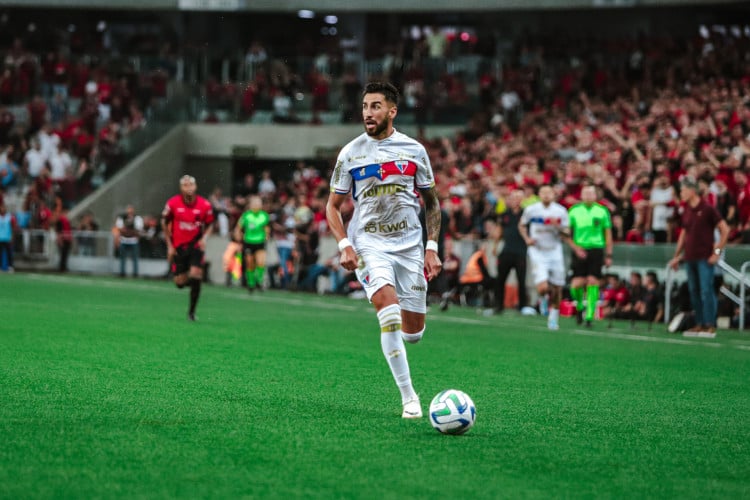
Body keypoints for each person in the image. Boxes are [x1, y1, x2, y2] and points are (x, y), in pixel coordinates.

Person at [325, 81, 442, 419]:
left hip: (409, 247)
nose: (368, 113)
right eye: (364, 106)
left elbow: (432, 204)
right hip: (369, 245)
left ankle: (407, 336)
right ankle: (409, 397)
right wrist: (345, 244)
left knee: (414, 333)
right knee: (387, 313)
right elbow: (332, 207)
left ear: (392, 111)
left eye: (375, 106)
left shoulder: (415, 150)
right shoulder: (350, 153)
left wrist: (431, 248)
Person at [668, 176, 729, 338]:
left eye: (683, 190)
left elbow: (725, 229)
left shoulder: (708, 208)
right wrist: (676, 256)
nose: (681, 193)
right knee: (694, 291)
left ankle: (709, 324)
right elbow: (684, 234)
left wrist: (716, 253)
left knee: (706, 290)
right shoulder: (686, 210)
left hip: (704, 257)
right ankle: (699, 323)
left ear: (692, 190)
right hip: (689, 258)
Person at [161, 175, 215, 321]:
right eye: (185, 185)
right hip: (179, 247)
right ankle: (193, 281)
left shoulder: (205, 205)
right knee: (179, 283)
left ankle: (191, 312)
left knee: (196, 274)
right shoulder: (173, 203)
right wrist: (169, 246)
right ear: (181, 188)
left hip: (196, 245)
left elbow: (210, 223)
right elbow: (164, 223)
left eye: (191, 185)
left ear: (195, 187)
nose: (188, 187)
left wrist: (204, 238)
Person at [518, 184, 570, 330]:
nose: (546, 195)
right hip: (537, 251)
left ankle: (553, 317)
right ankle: (544, 300)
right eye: (543, 192)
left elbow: (567, 232)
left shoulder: (560, 211)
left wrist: (558, 227)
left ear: (554, 195)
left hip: (554, 251)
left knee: (558, 287)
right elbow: (521, 225)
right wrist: (527, 239)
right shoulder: (531, 210)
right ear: (539, 194)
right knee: (542, 288)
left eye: (549, 192)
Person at [568, 184, 614, 327]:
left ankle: (589, 316)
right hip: (579, 249)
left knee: (593, 282)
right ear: (581, 195)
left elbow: (608, 233)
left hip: (596, 249)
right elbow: (567, 233)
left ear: (596, 196)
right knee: (576, 285)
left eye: (590, 193)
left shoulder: (602, 211)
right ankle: (580, 307)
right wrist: (575, 248)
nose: (588, 196)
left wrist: (609, 254)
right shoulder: (574, 211)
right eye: (585, 193)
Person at [493, 189, 528, 314]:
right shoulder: (505, 214)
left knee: (521, 280)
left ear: (522, 200)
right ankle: (498, 305)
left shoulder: (526, 214)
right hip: (506, 250)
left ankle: (522, 306)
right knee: (500, 279)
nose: (515, 200)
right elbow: (500, 230)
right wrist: (495, 246)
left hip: (520, 251)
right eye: (513, 197)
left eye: (518, 197)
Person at [234, 195, 270, 292]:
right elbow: (238, 228)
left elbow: (266, 228)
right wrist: (238, 235)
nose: (256, 205)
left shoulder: (264, 216)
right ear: (250, 205)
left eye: (258, 203)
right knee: (250, 263)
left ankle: (259, 280)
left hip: (260, 242)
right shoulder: (246, 216)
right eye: (254, 203)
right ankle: (251, 283)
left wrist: (267, 235)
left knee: (260, 262)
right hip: (248, 242)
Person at [114, 204, 144, 277]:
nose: (130, 211)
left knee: (135, 258)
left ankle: (135, 273)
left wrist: (129, 230)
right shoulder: (121, 217)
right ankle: (122, 273)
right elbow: (119, 229)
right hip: (123, 240)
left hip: (133, 240)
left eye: (131, 210)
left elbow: (138, 230)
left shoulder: (137, 218)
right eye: (128, 209)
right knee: (122, 258)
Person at [0, 202, 16, 271]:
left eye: (4, 208)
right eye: (1, 208)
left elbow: (13, 227)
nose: (3, 209)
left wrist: (12, 236)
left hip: (7, 238)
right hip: (0, 238)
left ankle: (10, 267)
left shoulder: (10, 217)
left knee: (9, 253)